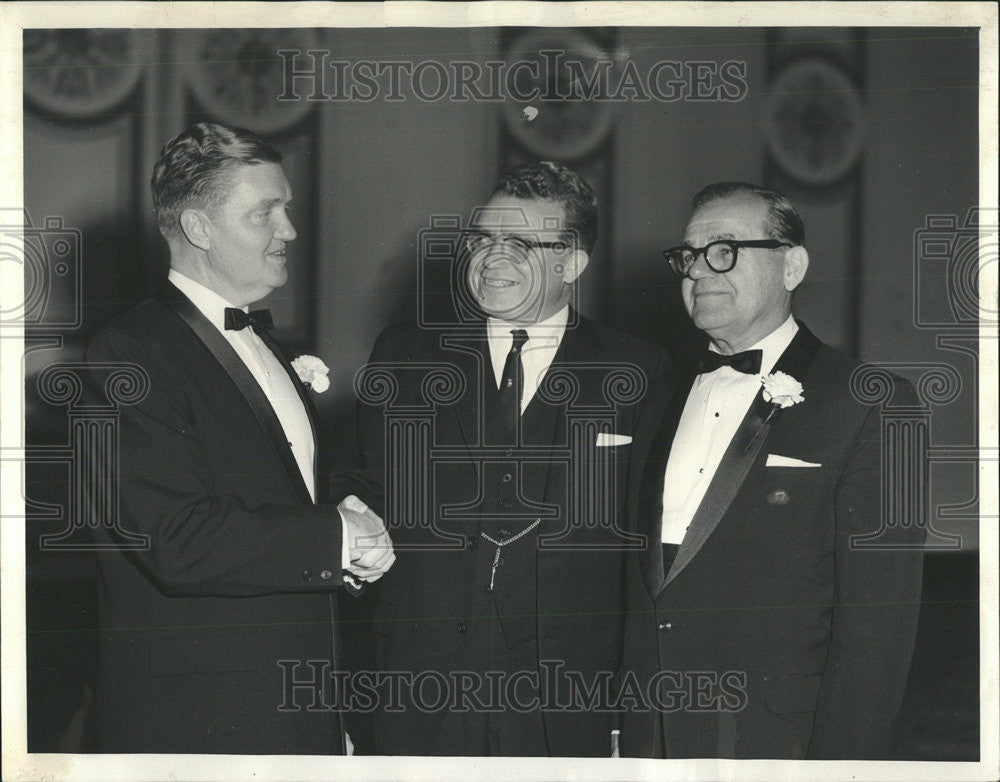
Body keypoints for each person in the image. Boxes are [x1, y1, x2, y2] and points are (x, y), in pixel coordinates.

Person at [85, 122, 394, 754]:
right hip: (199, 719)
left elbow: (274, 489)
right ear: (199, 229)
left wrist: (351, 525)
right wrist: (332, 536)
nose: (290, 230)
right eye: (265, 213)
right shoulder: (131, 352)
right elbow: (174, 538)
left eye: (286, 208)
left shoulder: (263, 344)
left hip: (295, 704)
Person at [354, 162, 670, 756]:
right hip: (418, 684)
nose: (492, 257)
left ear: (572, 263)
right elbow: (364, 484)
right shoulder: (405, 353)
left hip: (568, 693)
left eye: (521, 243)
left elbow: (646, 549)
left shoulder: (643, 371)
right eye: (482, 239)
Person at [619, 181, 925, 759]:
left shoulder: (872, 402)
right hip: (647, 737)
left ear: (792, 266)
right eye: (688, 256)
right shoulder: (654, 398)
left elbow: (878, 628)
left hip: (777, 741)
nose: (699, 271)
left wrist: (840, 769)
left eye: (725, 249)